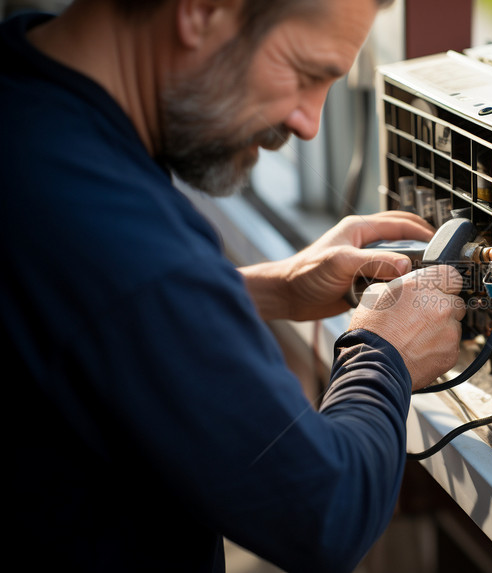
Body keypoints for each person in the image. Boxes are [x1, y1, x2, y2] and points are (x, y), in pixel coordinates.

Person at [1, 0, 466, 571]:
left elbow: (86, 309)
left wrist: (273, 288)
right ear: (202, 10)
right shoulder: (106, 219)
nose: (308, 122)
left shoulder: (26, 100)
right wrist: (383, 354)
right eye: (304, 73)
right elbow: (324, 512)